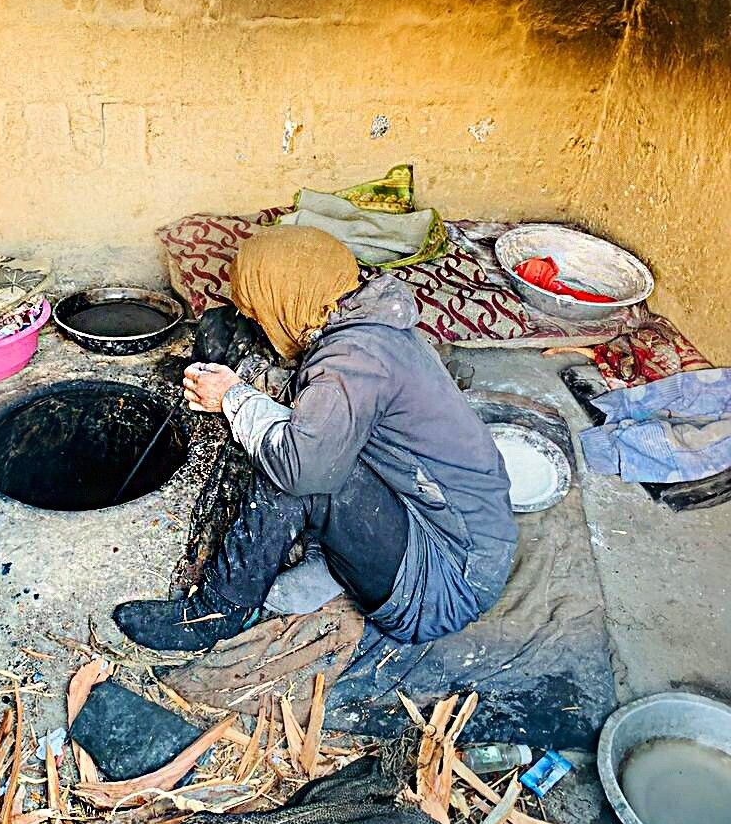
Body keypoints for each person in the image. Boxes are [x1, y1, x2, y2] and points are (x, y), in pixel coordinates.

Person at [113, 226, 517, 653]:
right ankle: (334, 563)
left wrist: (232, 398)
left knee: (293, 470)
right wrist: (251, 383)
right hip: (457, 533)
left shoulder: (351, 360)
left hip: (445, 581)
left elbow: (303, 468)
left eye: (259, 308)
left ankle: (218, 612)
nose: (257, 319)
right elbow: (322, 399)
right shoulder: (369, 323)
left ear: (287, 295)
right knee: (306, 444)